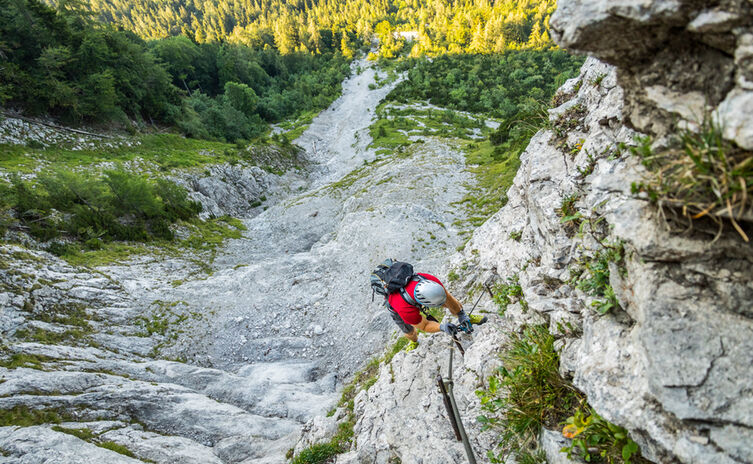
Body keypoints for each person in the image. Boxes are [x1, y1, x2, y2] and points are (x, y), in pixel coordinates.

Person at [388, 272, 486, 351]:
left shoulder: (430, 281)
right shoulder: (404, 309)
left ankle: (466, 318)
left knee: (446, 301)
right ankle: (414, 341)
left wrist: (461, 314)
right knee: (409, 331)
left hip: (411, 294)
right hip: (396, 306)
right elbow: (424, 326)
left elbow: (448, 298)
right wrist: (442, 327)